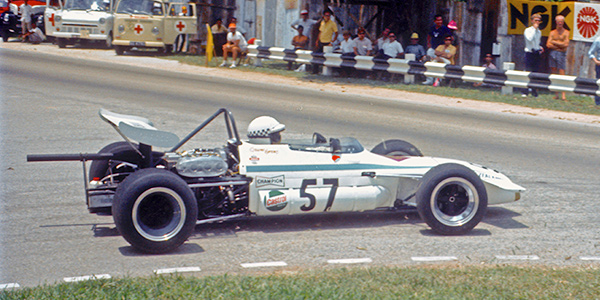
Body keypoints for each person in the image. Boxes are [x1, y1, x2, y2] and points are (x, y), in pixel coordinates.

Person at [547, 15, 570, 100]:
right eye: (558, 21)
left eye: (561, 21)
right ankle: (556, 94)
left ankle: (563, 95)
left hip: (561, 54)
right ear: (556, 22)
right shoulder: (552, 32)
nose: (560, 23)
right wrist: (560, 44)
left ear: (563, 22)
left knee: (562, 73)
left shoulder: (566, 32)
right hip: (553, 53)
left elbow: (566, 45)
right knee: (554, 72)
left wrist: (554, 42)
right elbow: (548, 44)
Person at [522, 13, 544, 98]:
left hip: (536, 53)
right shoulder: (528, 30)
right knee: (527, 72)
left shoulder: (539, 32)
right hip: (529, 53)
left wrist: (540, 48)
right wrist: (534, 29)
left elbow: (536, 42)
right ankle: (525, 91)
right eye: (536, 20)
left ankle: (534, 91)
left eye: (539, 20)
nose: (537, 22)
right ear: (532, 21)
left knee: (535, 72)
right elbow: (530, 39)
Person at [588, 35, 600, 105]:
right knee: (599, 83)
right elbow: (590, 52)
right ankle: (598, 102)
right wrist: (596, 61)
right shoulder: (598, 40)